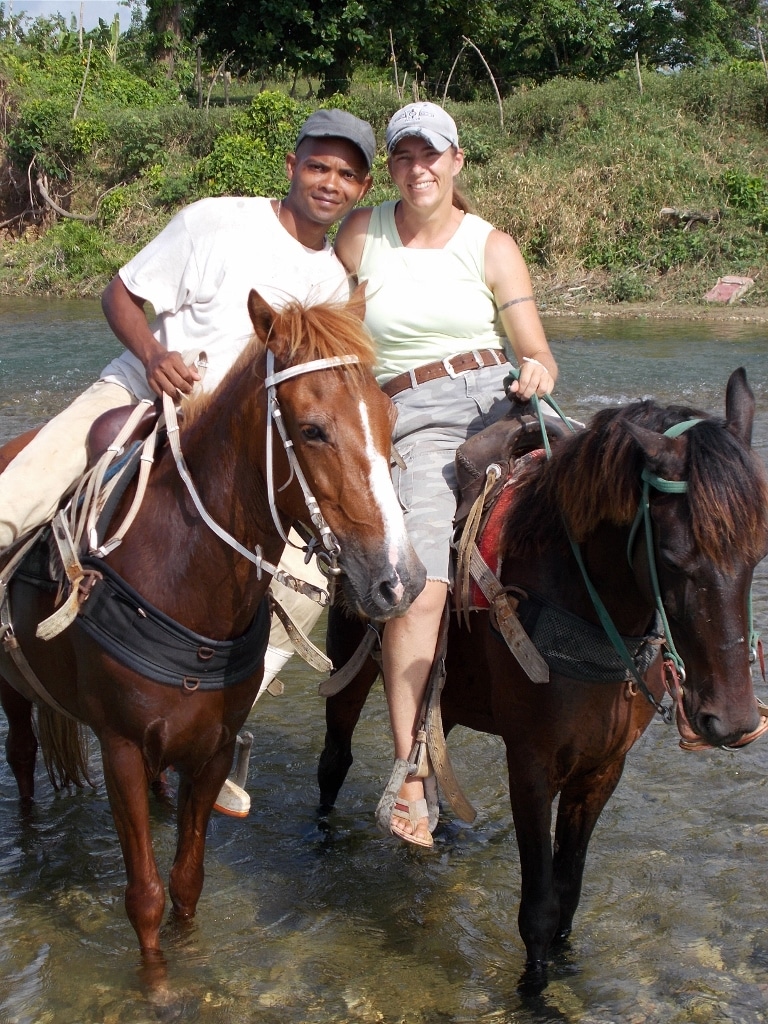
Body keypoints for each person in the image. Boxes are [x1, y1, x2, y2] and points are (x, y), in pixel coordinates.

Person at [0, 107, 375, 699]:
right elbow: (119, 294)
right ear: (291, 166)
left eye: (347, 175)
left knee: (307, 585)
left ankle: (226, 709)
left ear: (362, 189)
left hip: (234, 442)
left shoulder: (331, 283)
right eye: (318, 167)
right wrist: (152, 355)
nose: (331, 183)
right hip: (140, 392)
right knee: (16, 497)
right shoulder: (215, 221)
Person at [334, 101, 558, 848]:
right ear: (391, 167)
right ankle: (411, 770)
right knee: (421, 582)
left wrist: (537, 368)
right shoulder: (361, 234)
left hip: (499, 396)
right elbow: (325, 329)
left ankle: (674, 679)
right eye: (403, 155)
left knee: (615, 492)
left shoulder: (492, 245)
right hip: (409, 412)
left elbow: (535, 348)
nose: (417, 168)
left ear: (456, 161)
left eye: (430, 154)